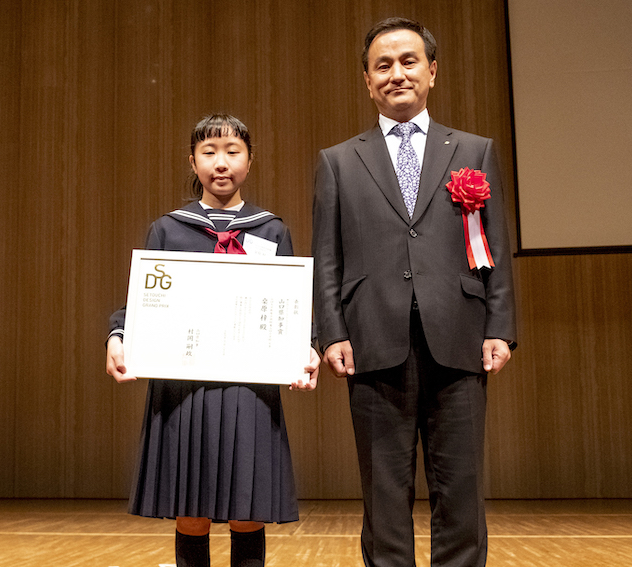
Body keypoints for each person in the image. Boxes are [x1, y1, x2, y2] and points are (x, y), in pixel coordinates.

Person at [312, 17, 517, 567]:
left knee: (462, 490)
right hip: (372, 342)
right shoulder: (338, 161)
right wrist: (331, 332)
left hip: (460, 338)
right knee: (383, 494)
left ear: (432, 71)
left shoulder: (474, 150)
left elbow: (496, 247)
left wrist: (500, 327)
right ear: (366, 80)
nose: (396, 74)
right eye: (382, 66)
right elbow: (327, 256)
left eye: (408, 61)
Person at [106, 113, 320, 567]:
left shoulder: (271, 230)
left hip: (250, 390)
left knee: (248, 512)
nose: (221, 163)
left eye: (232, 151)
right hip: (184, 389)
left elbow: (294, 307)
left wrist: (306, 347)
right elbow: (139, 300)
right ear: (193, 161)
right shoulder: (168, 229)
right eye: (209, 152)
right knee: (191, 514)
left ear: (249, 160)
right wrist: (118, 335)